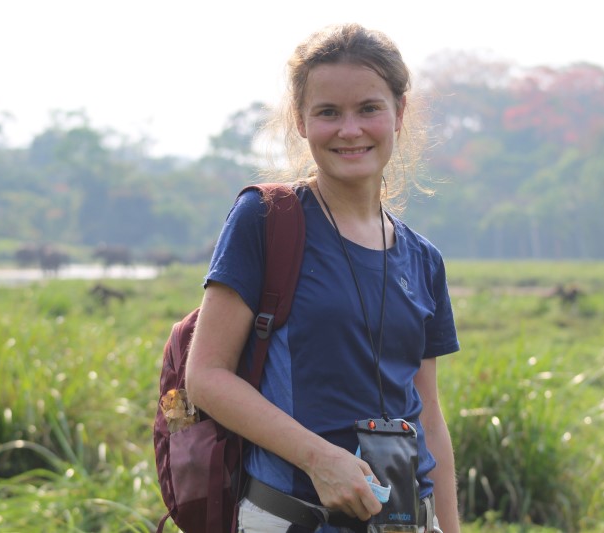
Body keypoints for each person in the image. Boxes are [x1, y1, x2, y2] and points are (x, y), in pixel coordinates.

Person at [185, 22, 460, 533]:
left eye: (368, 109)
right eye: (328, 112)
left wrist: (447, 526)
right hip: (295, 517)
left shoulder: (424, 259)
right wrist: (319, 459)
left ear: (399, 113)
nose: (349, 130)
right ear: (301, 121)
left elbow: (429, 417)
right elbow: (206, 377)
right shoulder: (265, 220)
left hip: (410, 522)